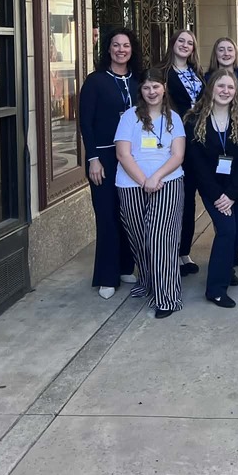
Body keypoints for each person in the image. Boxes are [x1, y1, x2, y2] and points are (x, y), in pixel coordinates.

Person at [114, 69, 186, 318]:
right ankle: (148, 281)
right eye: (146, 88)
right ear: (140, 91)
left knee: (160, 240)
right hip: (131, 185)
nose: (152, 92)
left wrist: (155, 178)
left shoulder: (174, 118)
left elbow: (178, 155)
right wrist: (144, 180)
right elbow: (123, 154)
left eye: (156, 86)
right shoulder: (128, 118)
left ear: (164, 88)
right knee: (139, 238)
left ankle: (167, 297)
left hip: (167, 183)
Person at [79, 28, 143, 299]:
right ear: (108, 49)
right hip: (103, 158)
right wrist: (92, 158)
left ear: (132, 50)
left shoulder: (139, 80)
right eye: (115, 45)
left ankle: (126, 266)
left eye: (126, 46)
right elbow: (86, 123)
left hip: (131, 157)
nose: (120, 50)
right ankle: (107, 276)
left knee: (128, 213)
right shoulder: (95, 81)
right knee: (106, 216)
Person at [185, 69, 238, 308]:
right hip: (213, 188)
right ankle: (215, 289)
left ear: (236, 91)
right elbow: (197, 164)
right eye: (220, 86)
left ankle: (227, 266)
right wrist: (219, 196)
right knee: (226, 231)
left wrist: (233, 194)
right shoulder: (195, 119)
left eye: (230, 87)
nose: (225, 91)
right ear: (211, 88)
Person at [159, 29, 204, 278]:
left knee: (190, 200)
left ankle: (184, 252)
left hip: (199, 143)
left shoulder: (196, 73)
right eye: (181, 41)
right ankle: (171, 252)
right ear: (173, 43)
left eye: (190, 42)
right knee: (176, 200)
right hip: (174, 143)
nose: (185, 45)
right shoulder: (163, 73)